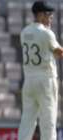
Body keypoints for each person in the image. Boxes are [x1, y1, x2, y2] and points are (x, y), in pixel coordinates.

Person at [18, 1, 63, 140]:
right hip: (45, 80)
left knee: (27, 120)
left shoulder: (24, 32)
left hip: (29, 80)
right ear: (40, 15)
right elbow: (58, 52)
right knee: (48, 119)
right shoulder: (46, 33)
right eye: (48, 14)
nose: (51, 17)